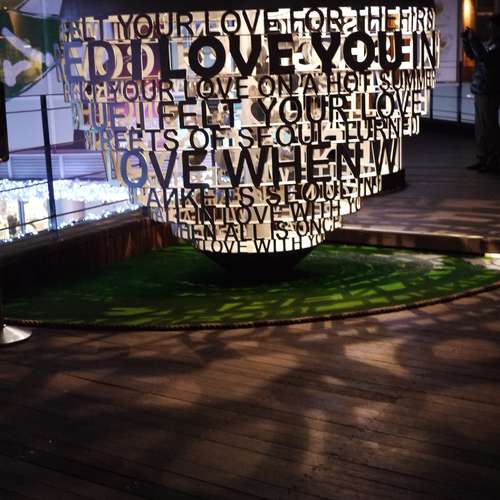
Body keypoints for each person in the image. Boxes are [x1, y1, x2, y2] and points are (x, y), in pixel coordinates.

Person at [462, 14, 500, 173]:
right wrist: (467, 41)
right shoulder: (490, 43)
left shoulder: (497, 45)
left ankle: (493, 162)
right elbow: (474, 56)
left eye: (492, 25)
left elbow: (486, 60)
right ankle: (482, 158)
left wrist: (474, 41)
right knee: (480, 128)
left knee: (489, 128)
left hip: (490, 91)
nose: (489, 28)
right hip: (481, 89)